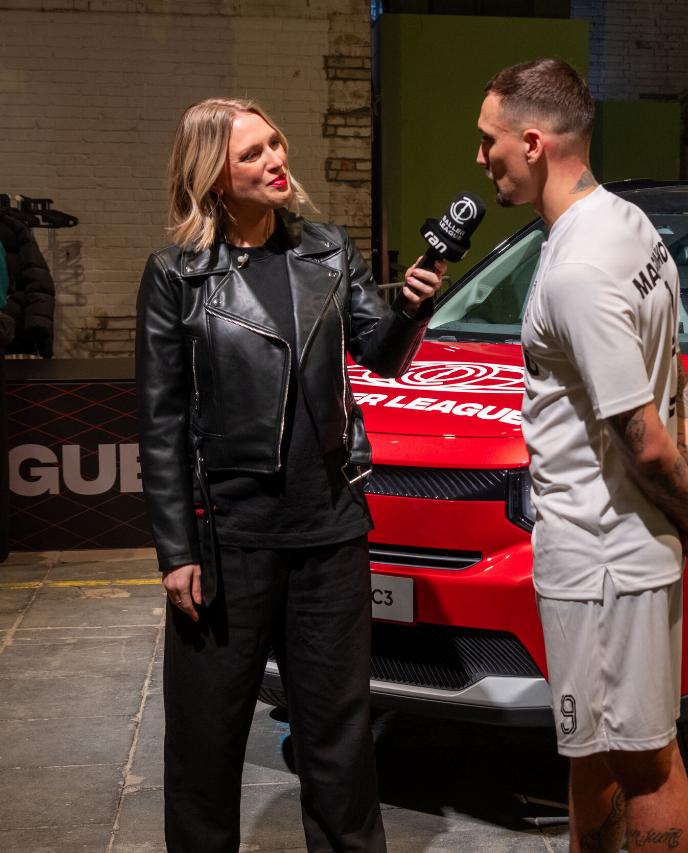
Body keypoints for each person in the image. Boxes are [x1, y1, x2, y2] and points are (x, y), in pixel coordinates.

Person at [136, 97, 443, 853]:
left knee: (339, 741)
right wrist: (176, 550)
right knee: (205, 744)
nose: (276, 160)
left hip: (328, 532)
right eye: (252, 153)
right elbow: (161, 421)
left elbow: (381, 355)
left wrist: (410, 309)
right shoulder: (176, 276)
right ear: (213, 176)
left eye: (275, 143)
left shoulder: (328, 250)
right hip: (226, 541)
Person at [476, 60, 688, 852]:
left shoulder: (576, 269)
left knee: (642, 760)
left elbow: (644, 434)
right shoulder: (628, 225)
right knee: (593, 750)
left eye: (490, 140)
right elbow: (674, 373)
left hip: (604, 558)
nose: (481, 157)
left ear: (534, 143)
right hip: (617, 550)